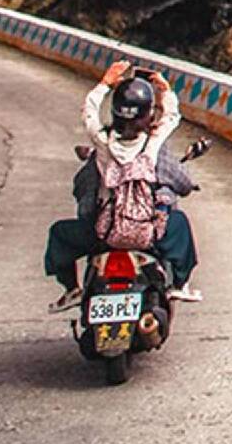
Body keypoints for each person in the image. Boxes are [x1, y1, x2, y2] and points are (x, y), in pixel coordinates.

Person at [45, 59, 201, 312]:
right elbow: (171, 117)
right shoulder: (152, 145)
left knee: (59, 233)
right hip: (148, 234)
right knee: (179, 224)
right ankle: (179, 285)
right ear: (149, 115)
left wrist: (105, 83)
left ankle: (72, 288)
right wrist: (165, 90)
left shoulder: (103, 144)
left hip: (105, 233)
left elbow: (89, 112)